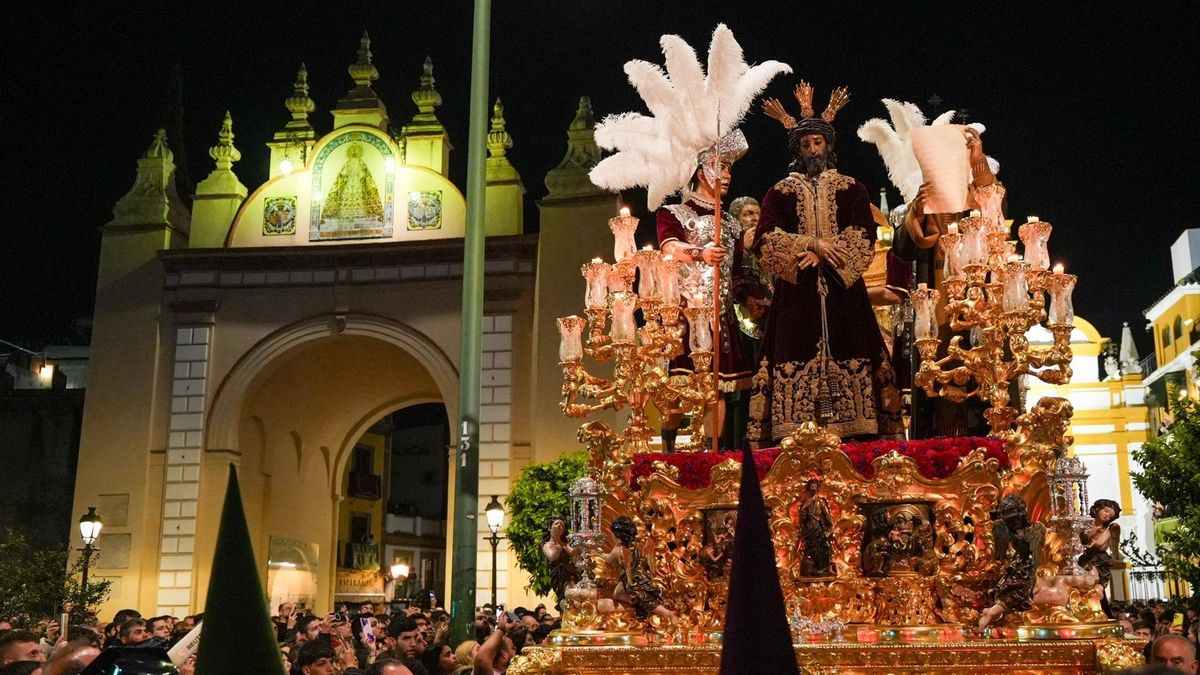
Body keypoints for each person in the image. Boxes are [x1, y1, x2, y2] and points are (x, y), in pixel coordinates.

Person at [750, 82, 903, 443]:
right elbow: (765, 237)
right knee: (791, 351)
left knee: (855, 347)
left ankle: (860, 433)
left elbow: (863, 234)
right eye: (805, 144)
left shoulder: (853, 189)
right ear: (797, 150)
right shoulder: (780, 192)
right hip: (797, 293)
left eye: (817, 142)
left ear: (829, 146)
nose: (812, 149)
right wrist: (809, 243)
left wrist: (823, 252)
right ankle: (792, 432)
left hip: (842, 291)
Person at [655, 131, 753, 451]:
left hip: (721, 315)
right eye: (720, 167)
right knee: (676, 392)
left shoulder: (731, 223)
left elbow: (736, 272)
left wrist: (753, 295)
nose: (727, 175)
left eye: (729, 168)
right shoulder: (674, 213)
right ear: (701, 173)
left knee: (718, 391)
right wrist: (700, 253)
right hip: (685, 314)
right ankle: (668, 451)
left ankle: (713, 456)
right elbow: (669, 248)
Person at [1079, 498, 1121, 615]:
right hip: (1085, 557)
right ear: (1098, 509)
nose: (1107, 515)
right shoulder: (1086, 525)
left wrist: (1092, 543)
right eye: (1106, 511)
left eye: (1110, 515)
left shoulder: (1106, 530)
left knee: (1094, 581)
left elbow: (1100, 542)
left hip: (1098, 559)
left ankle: (1097, 603)